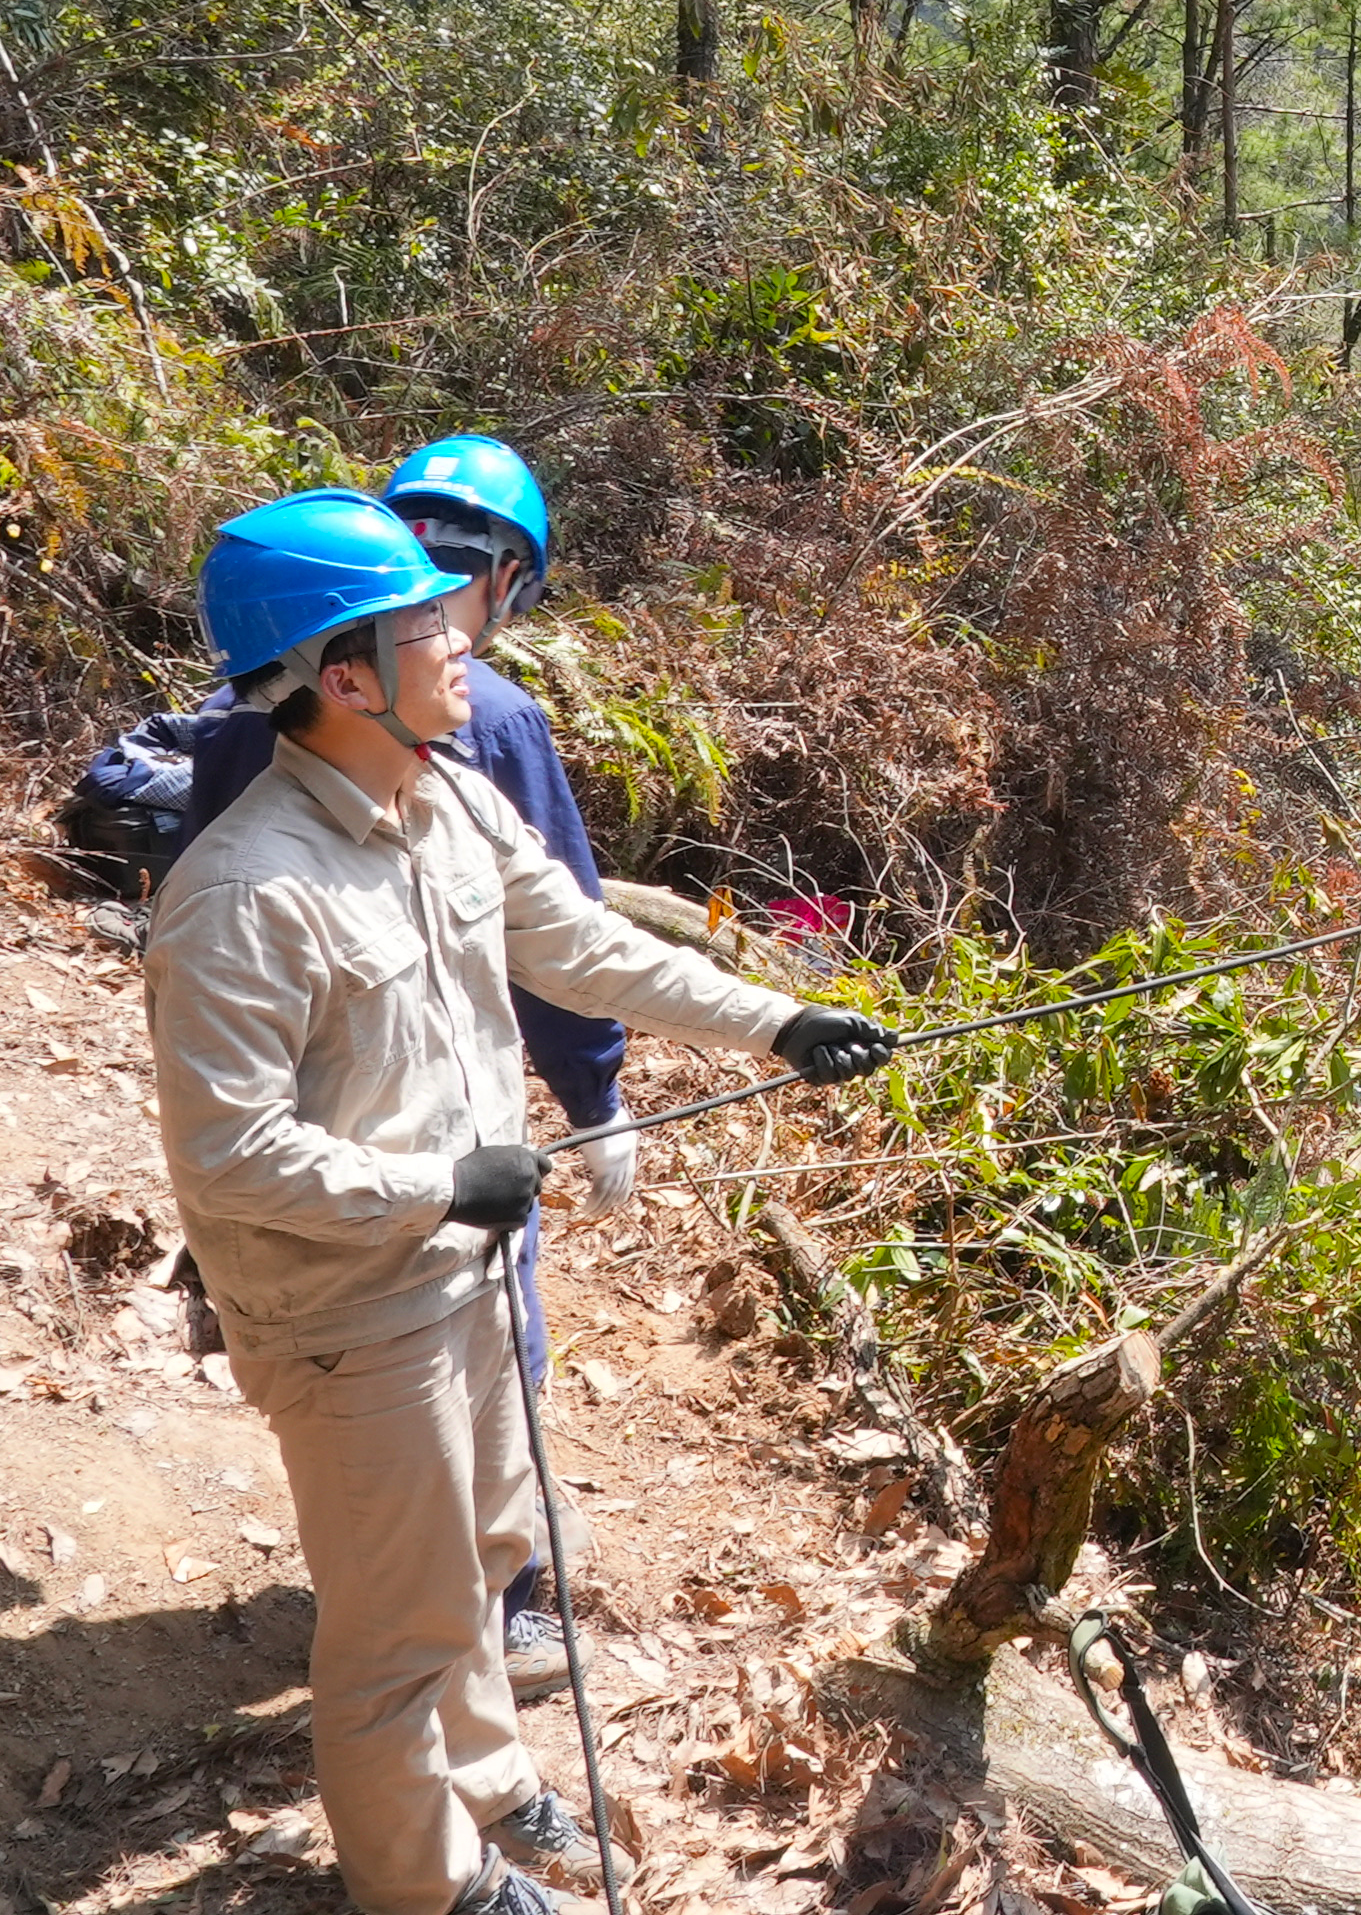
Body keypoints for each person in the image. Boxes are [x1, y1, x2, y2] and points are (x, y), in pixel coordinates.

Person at [145, 488, 900, 1915]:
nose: (461, 644)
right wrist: (439, 1183)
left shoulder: (446, 804)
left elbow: (587, 948)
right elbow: (230, 1159)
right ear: (343, 677)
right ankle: (429, 1885)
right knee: (396, 1627)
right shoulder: (245, 895)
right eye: (426, 626)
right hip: (352, 1311)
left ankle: (490, 1784)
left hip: (467, 1273)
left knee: (485, 1551)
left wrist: (780, 1021)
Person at [187, 436, 621, 1692]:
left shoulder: (258, 707)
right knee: (492, 1362)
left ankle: (405, 1591)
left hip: (316, 1133)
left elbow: (562, 929)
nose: (458, 636)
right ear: (510, 573)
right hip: (419, 1155)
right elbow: (567, 952)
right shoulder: (497, 719)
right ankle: (492, 1613)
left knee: (382, 1411)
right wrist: (595, 1097)